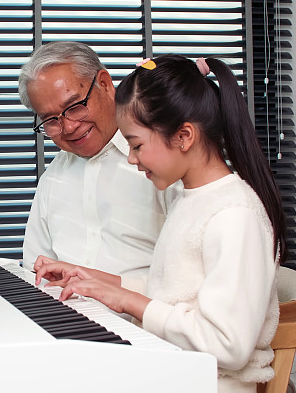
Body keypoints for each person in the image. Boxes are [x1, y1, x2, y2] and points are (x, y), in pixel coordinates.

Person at [34, 55, 287, 393]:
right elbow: (177, 290)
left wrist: (128, 301)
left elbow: (229, 346)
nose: (131, 158)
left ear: (184, 136)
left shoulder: (234, 214)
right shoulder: (192, 200)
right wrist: (96, 281)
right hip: (173, 374)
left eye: (136, 145)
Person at [18, 42, 181, 275]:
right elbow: (34, 269)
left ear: (104, 84)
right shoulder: (53, 177)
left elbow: (191, 279)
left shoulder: (162, 160)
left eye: (74, 107)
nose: (69, 127)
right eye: (51, 120)